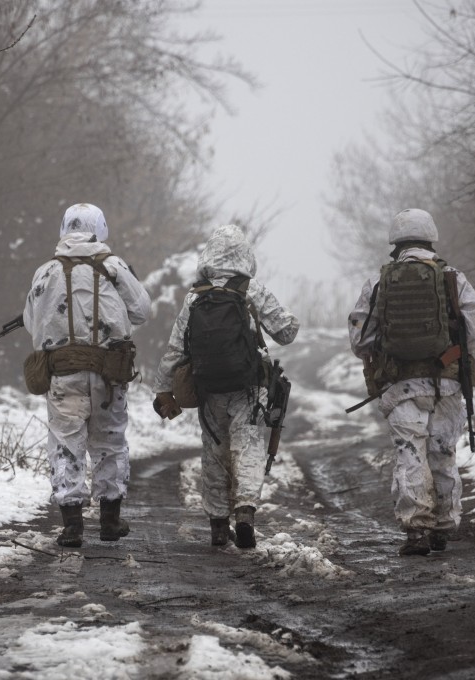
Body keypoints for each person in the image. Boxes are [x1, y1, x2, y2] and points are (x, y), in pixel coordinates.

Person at [152, 224, 299, 549]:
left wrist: (163, 389)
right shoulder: (251, 290)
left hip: (208, 387)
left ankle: (218, 525)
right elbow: (287, 332)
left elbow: (175, 350)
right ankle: (245, 512)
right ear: (244, 255)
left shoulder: (195, 296)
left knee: (214, 452)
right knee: (246, 445)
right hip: (248, 386)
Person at [347, 208, 475, 556]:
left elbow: (359, 340)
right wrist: (448, 356)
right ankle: (443, 526)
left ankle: (417, 531)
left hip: (399, 386)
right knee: (443, 452)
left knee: (411, 453)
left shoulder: (379, 282)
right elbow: (474, 330)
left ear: (396, 242)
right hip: (448, 383)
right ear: (431, 237)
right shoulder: (454, 278)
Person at [23, 203, 151, 548]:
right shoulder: (114, 267)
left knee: (66, 445)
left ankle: (72, 526)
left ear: (64, 228)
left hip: (63, 375)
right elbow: (141, 312)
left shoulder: (45, 272)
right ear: (101, 228)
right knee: (109, 444)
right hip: (110, 374)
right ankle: (110, 521)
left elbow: (30, 323)